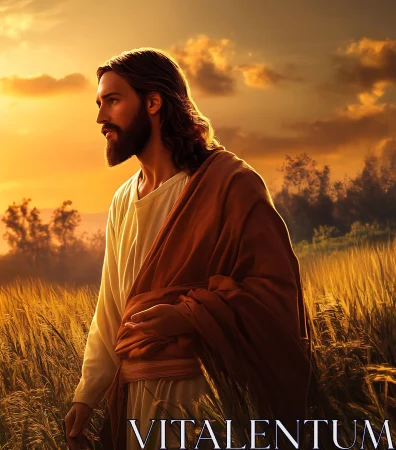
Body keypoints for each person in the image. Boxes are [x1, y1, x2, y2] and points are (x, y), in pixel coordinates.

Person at [63, 48, 313, 450]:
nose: (100, 118)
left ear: (153, 102)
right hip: (137, 407)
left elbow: (273, 291)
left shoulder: (229, 184)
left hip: (203, 402)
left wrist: (185, 317)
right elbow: (110, 308)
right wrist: (87, 396)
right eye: (98, 103)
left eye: (112, 100)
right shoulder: (123, 200)